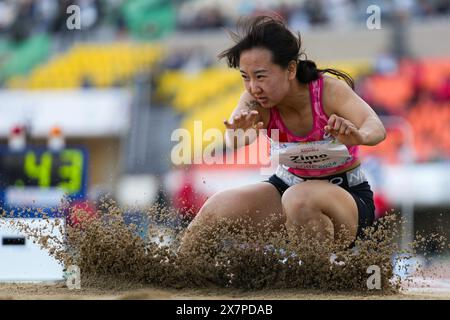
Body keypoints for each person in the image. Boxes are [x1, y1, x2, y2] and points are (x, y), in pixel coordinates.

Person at [179, 15, 386, 253]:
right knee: (218, 207)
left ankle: (317, 277)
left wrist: (359, 136)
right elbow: (238, 138)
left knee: (299, 199)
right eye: (245, 77)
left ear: (290, 70)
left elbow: (376, 127)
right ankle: (177, 275)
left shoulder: (327, 91)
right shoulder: (255, 101)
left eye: (260, 76)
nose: (253, 88)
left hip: (346, 199)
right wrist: (238, 133)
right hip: (286, 187)